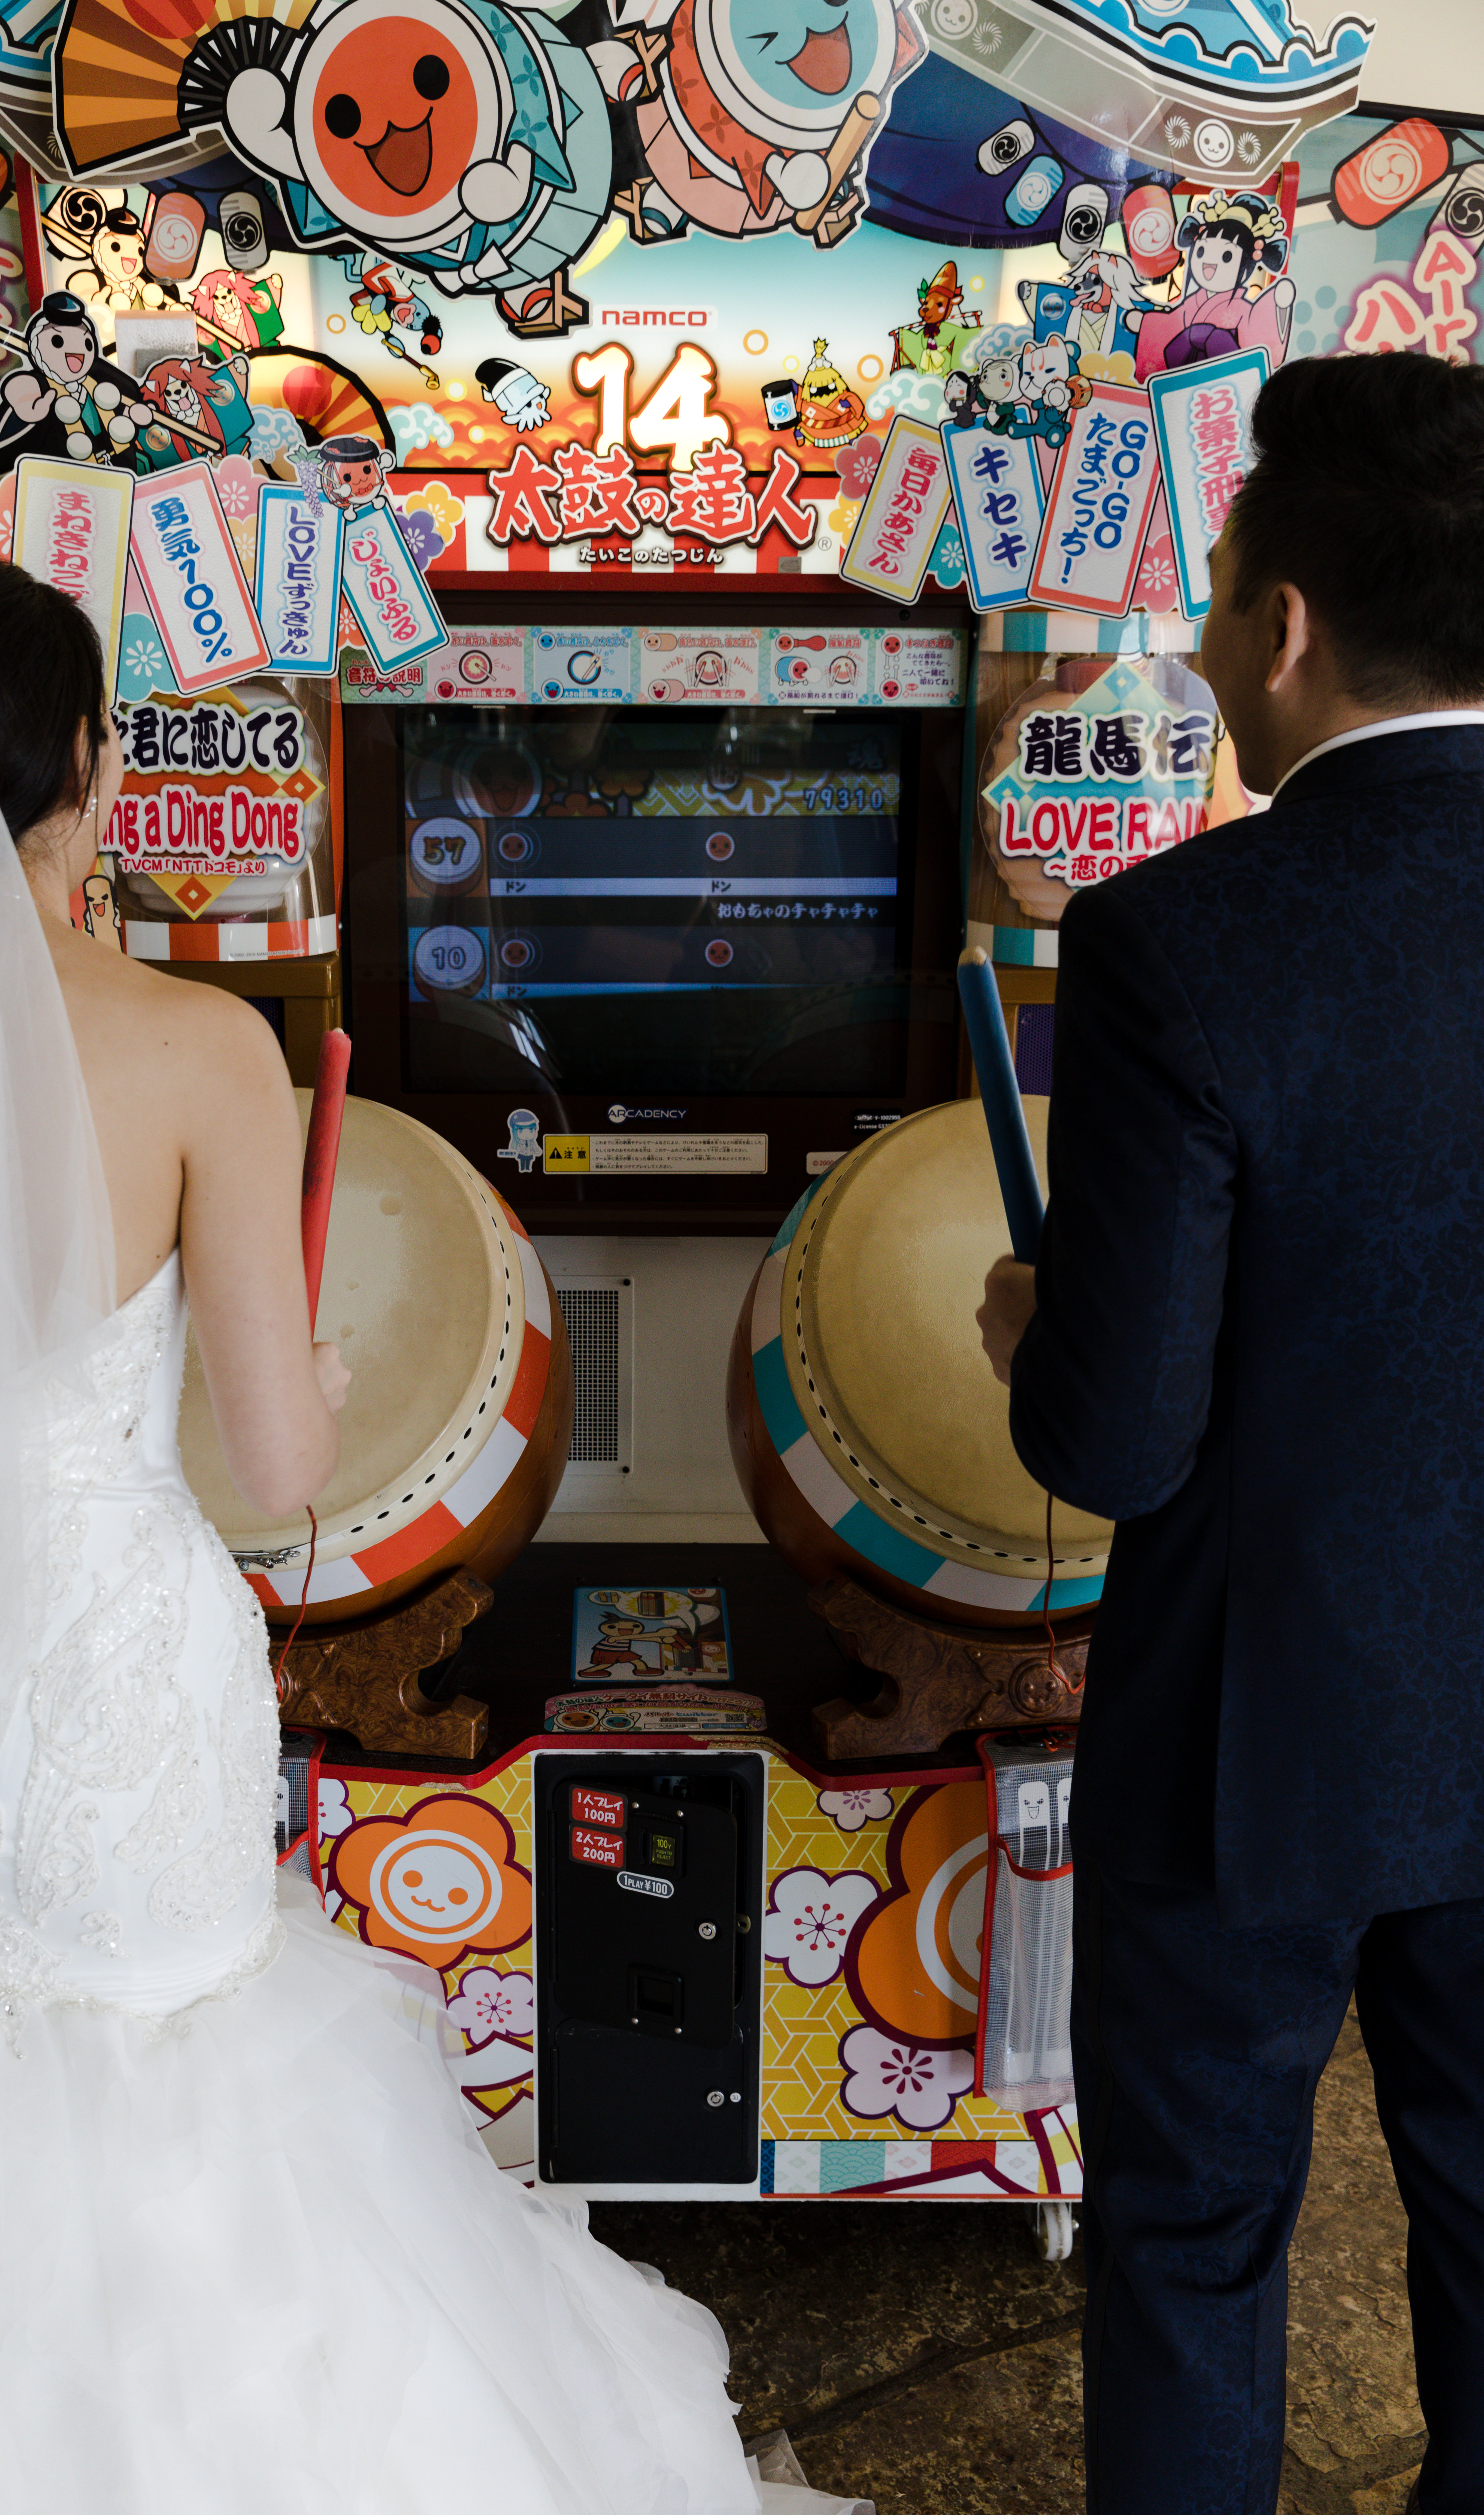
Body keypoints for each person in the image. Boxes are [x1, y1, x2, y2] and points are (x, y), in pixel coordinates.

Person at [0, 558, 855, 2515]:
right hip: (94, 1703)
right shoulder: (194, 1045)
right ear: (88, 778)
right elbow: (287, 1466)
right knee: (178, 2112)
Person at [975, 350, 1484, 2515]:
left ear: (1284, 627)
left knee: (1192, 2238)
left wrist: (1037, 1321)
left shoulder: (1183, 940)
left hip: (1249, 1728)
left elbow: (1121, 1435)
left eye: (1220, 602)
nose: (1195, 644)